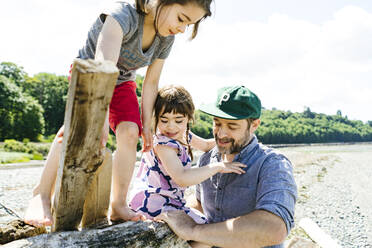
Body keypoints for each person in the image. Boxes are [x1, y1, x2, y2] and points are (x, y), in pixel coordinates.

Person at [24, 0, 213, 227]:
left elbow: (151, 83)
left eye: (189, 24)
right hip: (91, 73)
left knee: (131, 133)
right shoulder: (122, 16)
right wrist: (100, 115)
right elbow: (105, 63)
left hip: (123, 84)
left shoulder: (166, 38)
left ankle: (118, 204)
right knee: (77, 130)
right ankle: (41, 194)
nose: (182, 29)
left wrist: (147, 125)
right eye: (181, 19)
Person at [155, 85, 298, 248]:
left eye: (232, 126)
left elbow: (275, 228)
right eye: (217, 124)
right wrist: (170, 211)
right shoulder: (207, 159)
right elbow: (201, 203)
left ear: (254, 125)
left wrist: (193, 230)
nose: (221, 134)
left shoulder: (272, 164)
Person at [128, 85, 246, 224]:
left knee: (205, 227)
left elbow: (207, 145)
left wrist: (235, 139)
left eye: (178, 120)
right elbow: (182, 178)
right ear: (156, 118)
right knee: (205, 229)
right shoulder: (163, 144)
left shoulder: (184, 135)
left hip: (171, 201)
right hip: (154, 202)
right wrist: (219, 167)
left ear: (188, 118)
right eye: (164, 120)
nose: (171, 127)